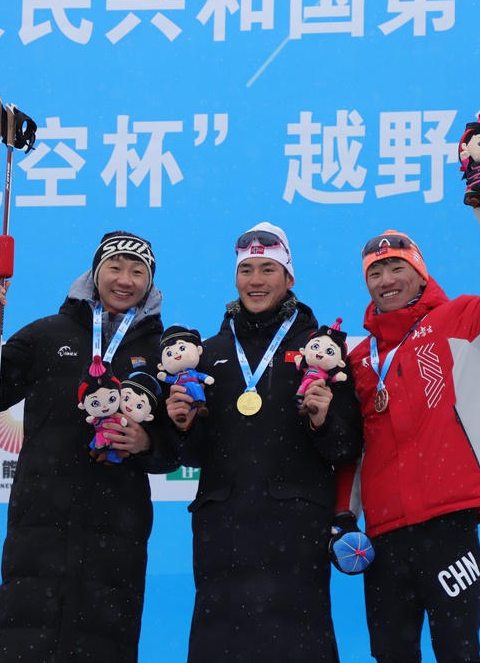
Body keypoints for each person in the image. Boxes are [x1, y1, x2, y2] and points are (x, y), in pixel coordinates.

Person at [336, 189, 480, 662]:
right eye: (375, 273)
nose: (386, 280)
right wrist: (344, 517)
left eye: (396, 267)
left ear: (420, 272)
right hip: (385, 532)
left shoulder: (461, 320)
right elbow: (352, 449)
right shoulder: (358, 360)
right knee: (391, 654)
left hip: (449, 521)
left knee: (458, 651)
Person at [0, 230, 178, 662]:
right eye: (115, 267)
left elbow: (177, 447)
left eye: (138, 272)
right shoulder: (46, 333)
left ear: (150, 283)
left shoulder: (162, 352)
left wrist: (146, 441)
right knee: (26, 638)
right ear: (95, 274)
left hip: (118, 525)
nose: (125, 280)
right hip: (40, 521)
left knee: (104, 643)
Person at [165, 222, 363, 662]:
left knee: (298, 645)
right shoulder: (208, 353)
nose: (256, 280)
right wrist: (183, 425)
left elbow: (347, 449)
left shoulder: (321, 353)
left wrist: (323, 420)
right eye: (246, 270)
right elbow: (191, 456)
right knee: (219, 646)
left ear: (289, 278)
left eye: (268, 269)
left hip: (296, 532)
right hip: (222, 533)